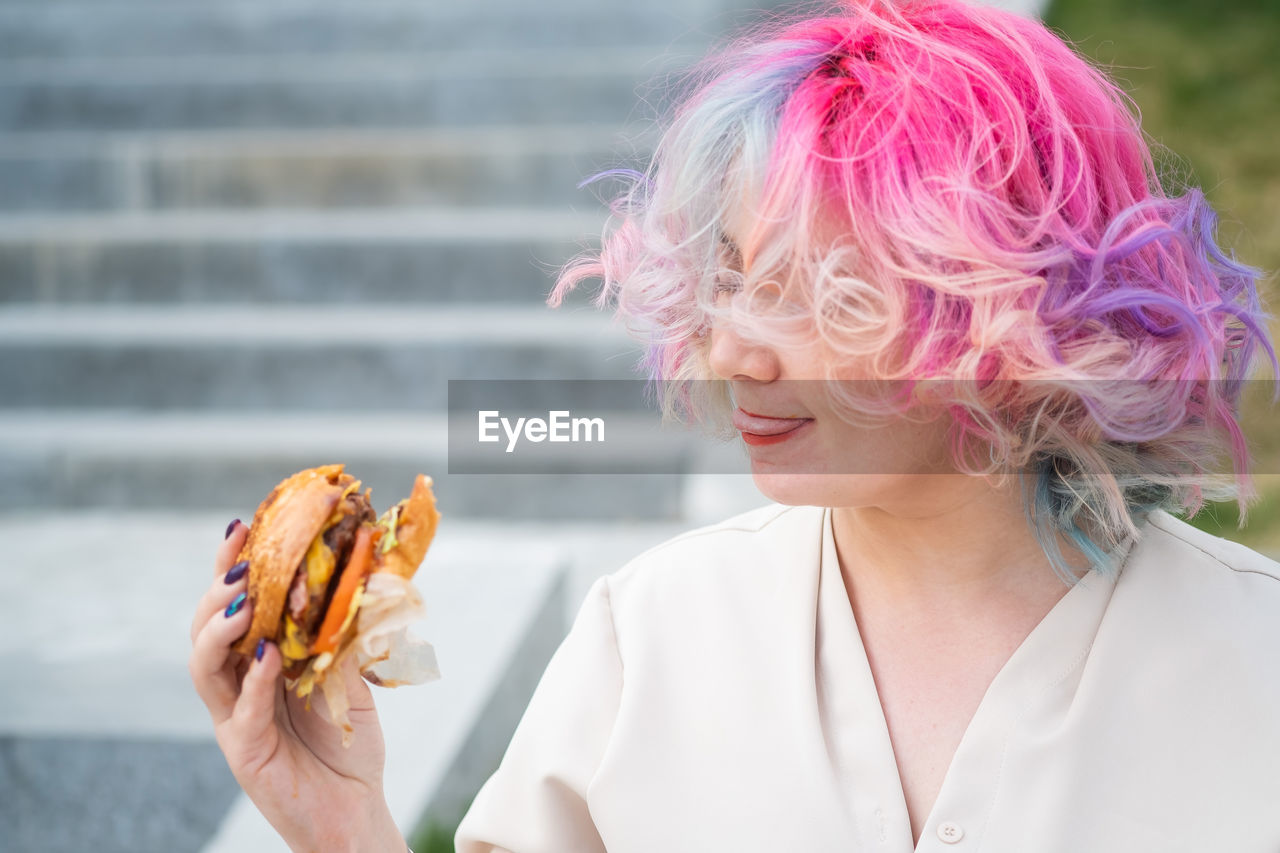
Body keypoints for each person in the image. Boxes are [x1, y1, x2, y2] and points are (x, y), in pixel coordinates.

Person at [189, 1, 1280, 850]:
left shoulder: (1251, 660)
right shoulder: (651, 635)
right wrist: (338, 822)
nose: (727, 351)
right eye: (732, 279)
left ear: (1017, 315)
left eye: (822, 293)